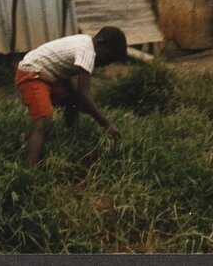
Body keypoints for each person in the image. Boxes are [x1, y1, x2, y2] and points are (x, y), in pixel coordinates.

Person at [14, 26, 128, 166]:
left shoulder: (85, 42)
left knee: (72, 101)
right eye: (107, 58)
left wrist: (75, 99)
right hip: (32, 74)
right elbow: (84, 93)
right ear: (100, 44)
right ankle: (30, 170)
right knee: (44, 121)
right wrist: (106, 124)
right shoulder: (88, 51)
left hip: (46, 75)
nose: (105, 64)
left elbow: (64, 73)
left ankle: (69, 135)